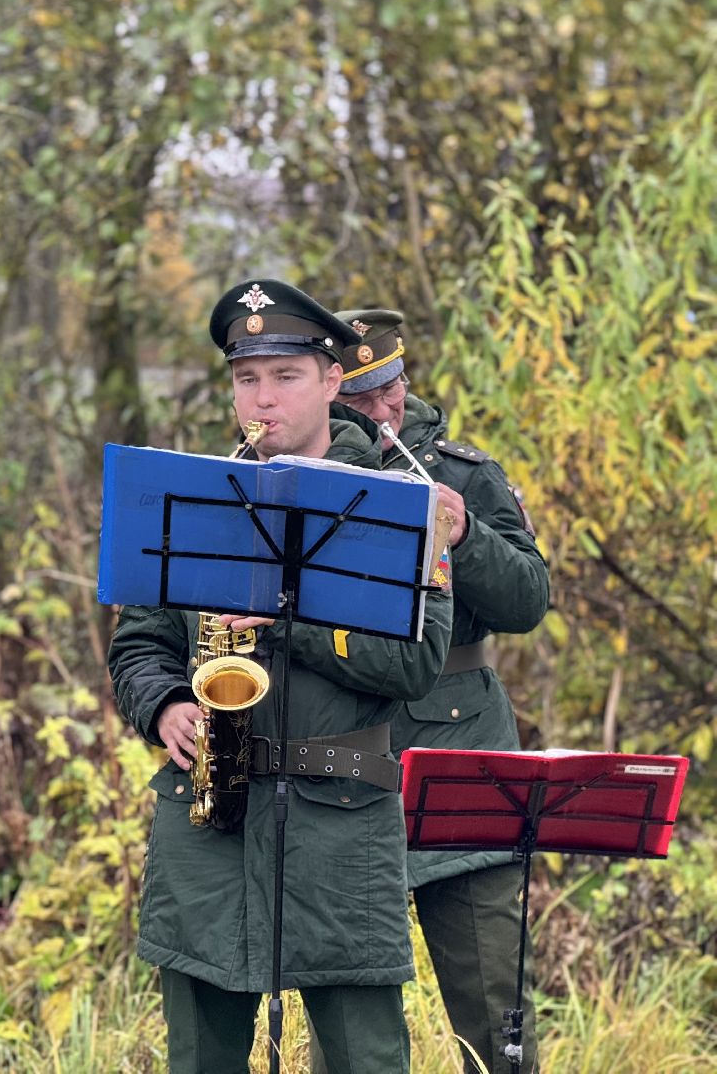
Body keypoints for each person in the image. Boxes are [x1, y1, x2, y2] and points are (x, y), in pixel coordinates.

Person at [108, 279, 454, 1074]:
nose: (261, 399)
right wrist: (162, 706)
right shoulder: (186, 499)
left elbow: (416, 662)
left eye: (286, 376)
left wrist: (289, 622)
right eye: (245, 378)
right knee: (202, 1055)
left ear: (333, 382)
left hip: (342, 826)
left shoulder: (406, 506)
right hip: (211, 826)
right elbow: (138, 644)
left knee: (365, 1058)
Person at [321, 308, 549, 1074]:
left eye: (391, 388)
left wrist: (468, 539)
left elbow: (529, 601)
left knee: (493, 1009)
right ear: (325, 397)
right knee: (346, 1016)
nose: (383, 410)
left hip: (462, 745)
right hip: (347, 752)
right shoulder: (303, 479)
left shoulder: (463, 472)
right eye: (359, 400)